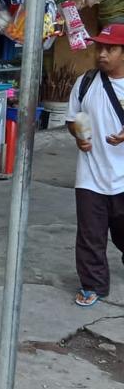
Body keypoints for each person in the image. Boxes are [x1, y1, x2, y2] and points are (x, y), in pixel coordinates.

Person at [65, 24, 124, 307]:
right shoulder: (86, 82)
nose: (101, 54)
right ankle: (93, 285)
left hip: (123, 178)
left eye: (109, 49)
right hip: (90, 176)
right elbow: (71, 118)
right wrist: (78, 136)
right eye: (99, 47)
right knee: (90, 236)